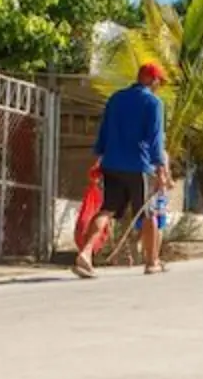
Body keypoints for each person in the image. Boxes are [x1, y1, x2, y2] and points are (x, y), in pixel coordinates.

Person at [73, 62, 171, 278]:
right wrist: (161, 170)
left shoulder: (116, 98)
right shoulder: (153, 103)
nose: (158, 86)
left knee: (107, 209)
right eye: (158, 82)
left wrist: (100, 156)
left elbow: (104, 131)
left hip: (112, 163)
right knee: (149, 213)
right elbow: (155, 140)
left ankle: (86, 253)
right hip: (139, 166)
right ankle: (152, 261)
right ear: (151, 80)